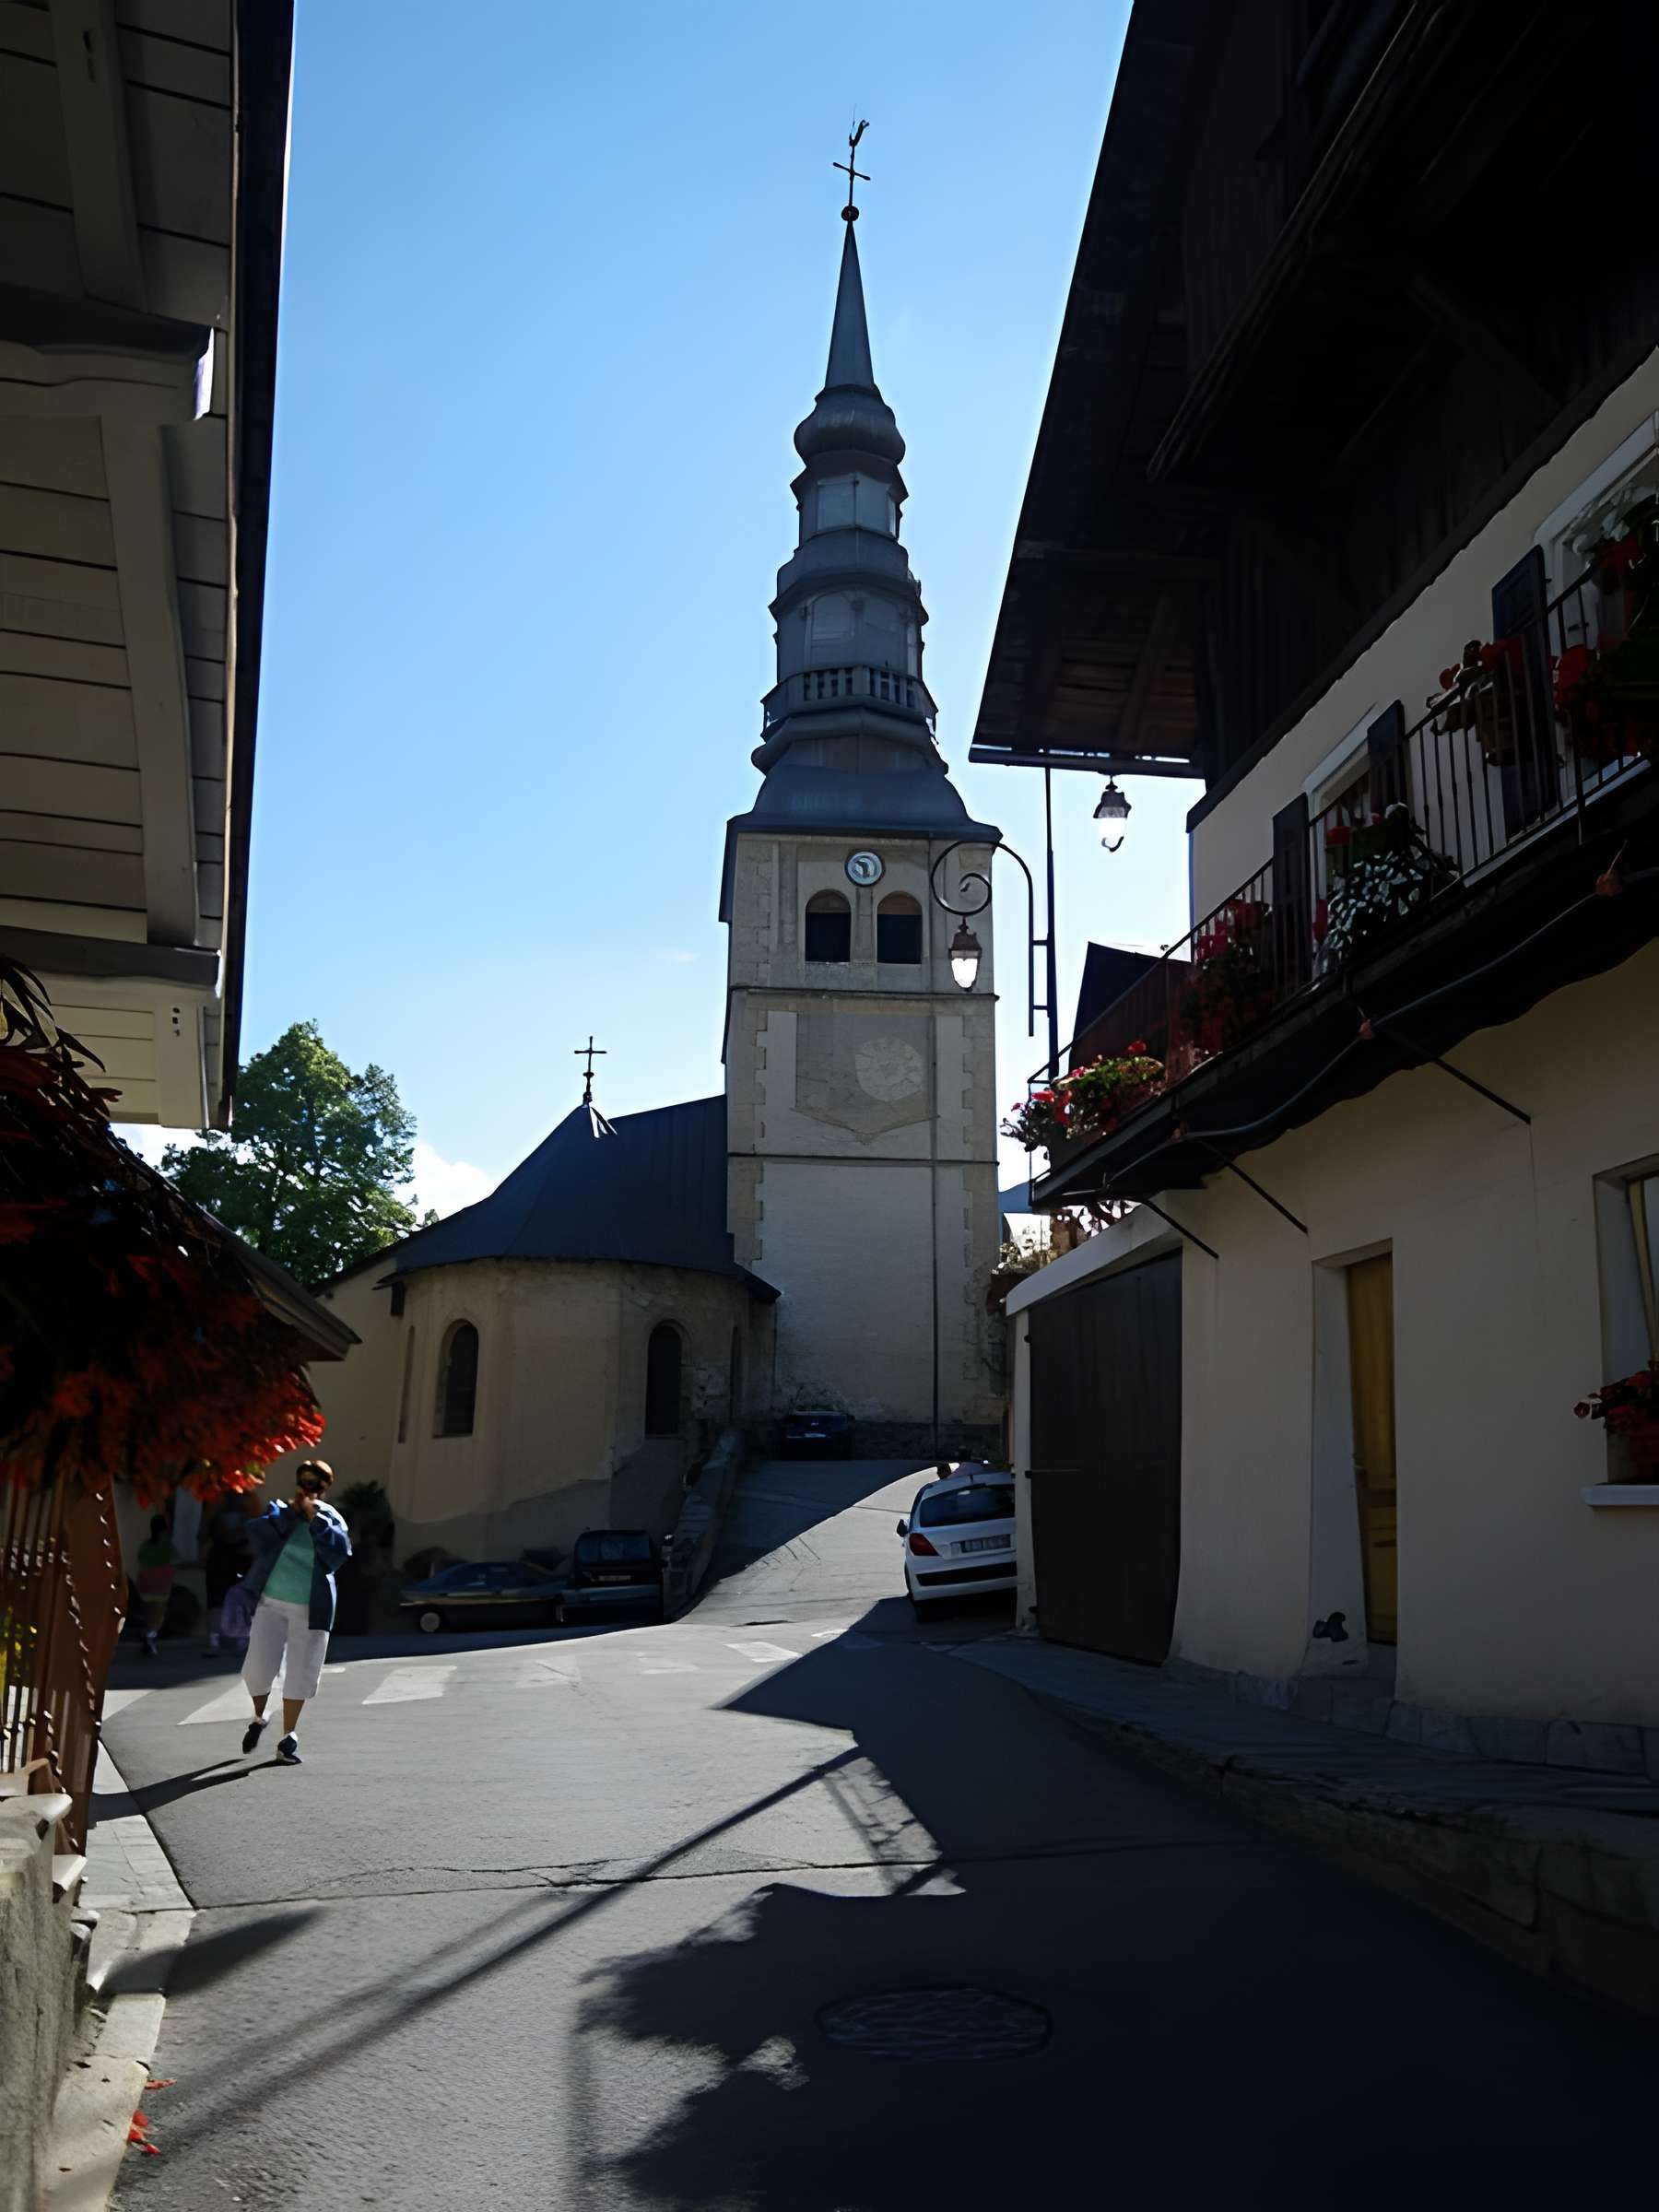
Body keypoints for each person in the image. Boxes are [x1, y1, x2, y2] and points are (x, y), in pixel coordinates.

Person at [240, 1460, 351, 1767]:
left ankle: (288, 1737)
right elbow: (259, 1538)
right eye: (305, 1482)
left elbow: (338, 1553)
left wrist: (314, 1515)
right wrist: (290, 1512)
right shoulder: (280, 1512)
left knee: (301, 1671)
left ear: (324, 1488)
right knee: (258, 1666)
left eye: (315, 1483)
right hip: (270, 1602)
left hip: (310, 1607)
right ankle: (259, 1718)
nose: (308, 1488)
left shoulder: (331, 1518)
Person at [202, 1495, 253, 1654]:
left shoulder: (247, 1504)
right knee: (218, 1599)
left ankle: (236, 1638)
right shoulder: (215, 1506)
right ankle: (218, 1639)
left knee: (238, 1599)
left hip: (233, 1559)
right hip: (223, 1559)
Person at [135, 1513, 179, 1657]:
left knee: (148, 1616)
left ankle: (148, 1639)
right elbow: (175, 1560)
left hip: (145, 1584)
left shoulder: (146, 1545)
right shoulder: (168, 1545)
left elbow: (140, 1559)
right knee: (157, 1617)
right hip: (161, 1587)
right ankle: (150, 1640)